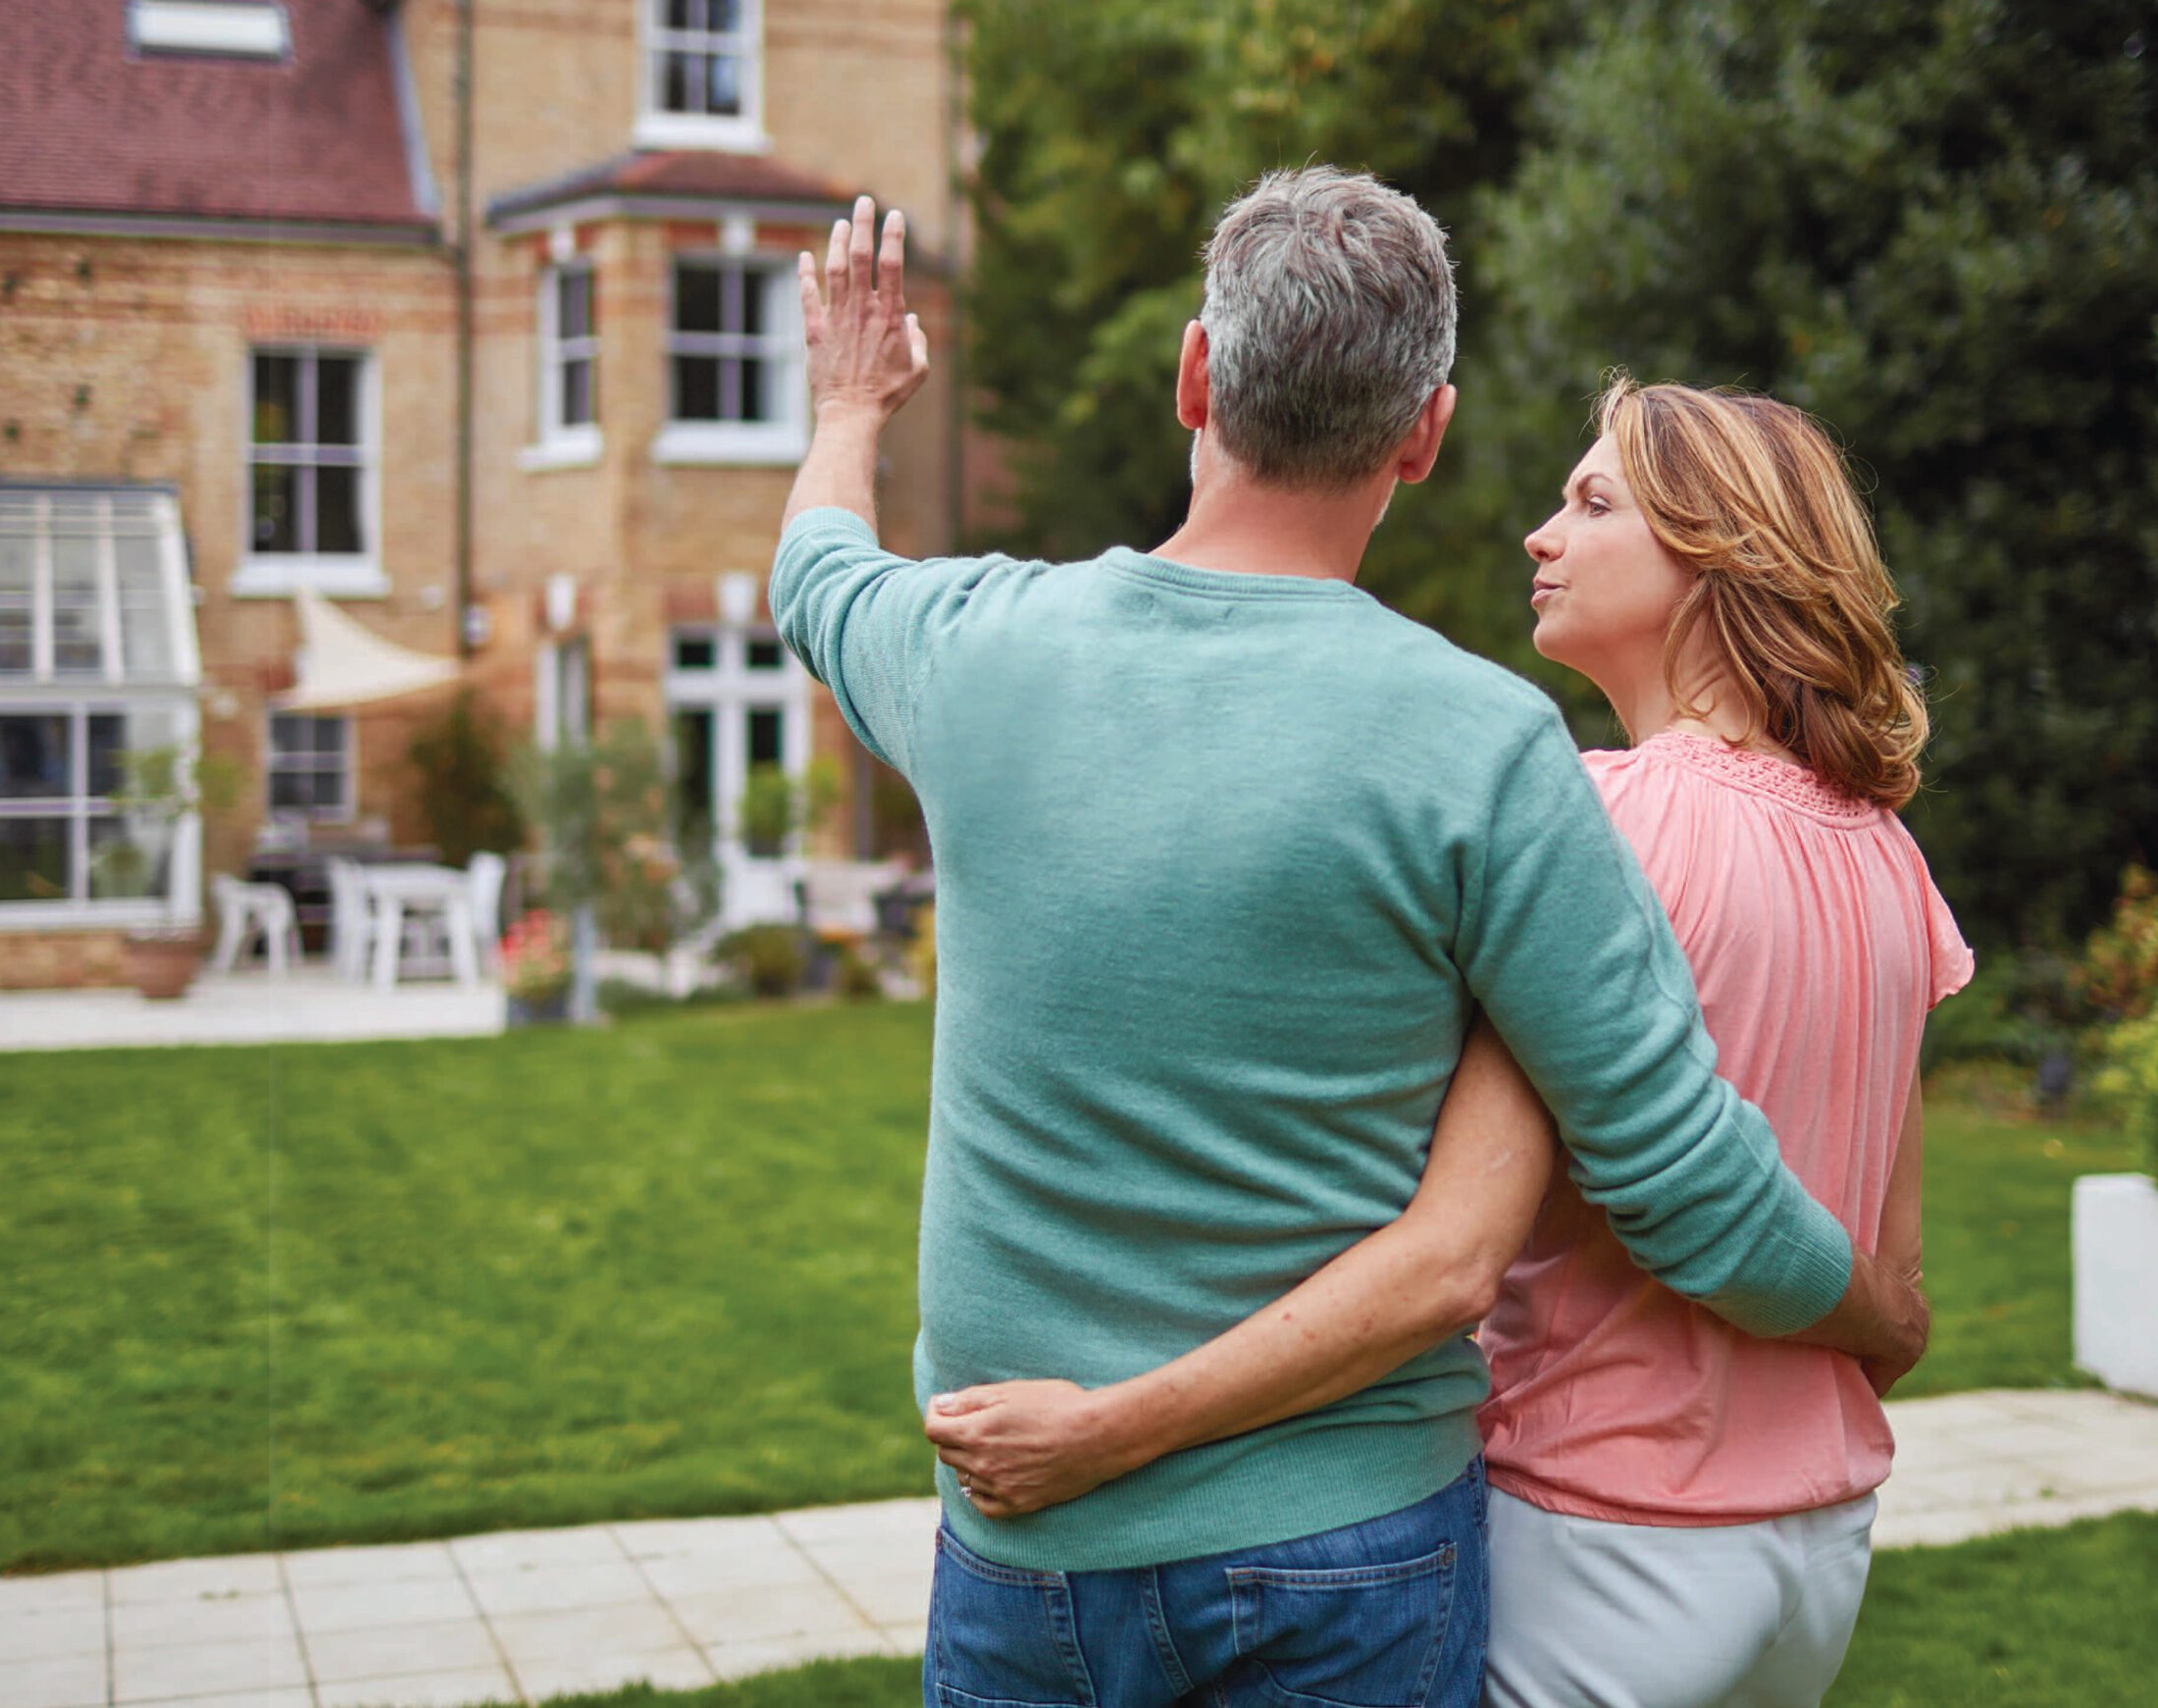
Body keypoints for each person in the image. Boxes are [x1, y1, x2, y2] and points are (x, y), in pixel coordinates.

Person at [770, 172, 1927, 1708]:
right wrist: (1876, 1316)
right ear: (1424, 434)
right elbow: (1679, 1175)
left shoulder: (975, 648)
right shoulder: (1490, 750)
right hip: (1358, 1552)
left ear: (1195, 374)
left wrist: (853, 397)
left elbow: (817, 575)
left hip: (1029, 1543)